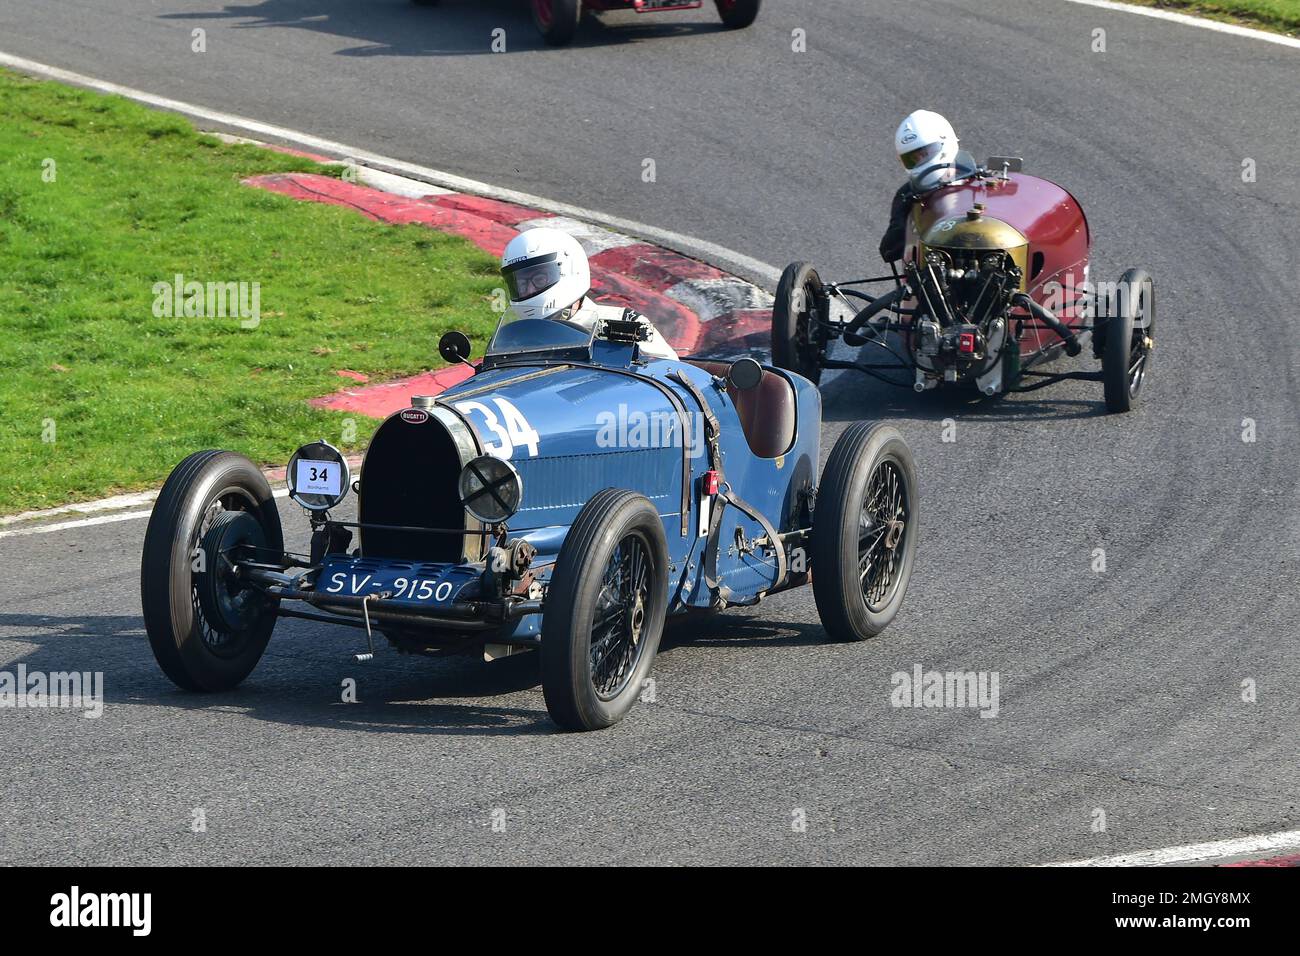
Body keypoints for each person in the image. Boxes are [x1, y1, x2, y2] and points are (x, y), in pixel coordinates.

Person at [499, 227, 679, 361]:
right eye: (521, 284)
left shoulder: (623, 323)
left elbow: (667, 373)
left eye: (539, 280)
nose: (529, 290)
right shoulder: (516, 337)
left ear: (570, 268)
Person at [879, 109, 973, 263]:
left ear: (946, 142)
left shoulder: (982, 180)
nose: (921, 161)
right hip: (933, 268)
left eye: (925, 153)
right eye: (913, 159)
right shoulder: (907, 195)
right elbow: (889, 250)